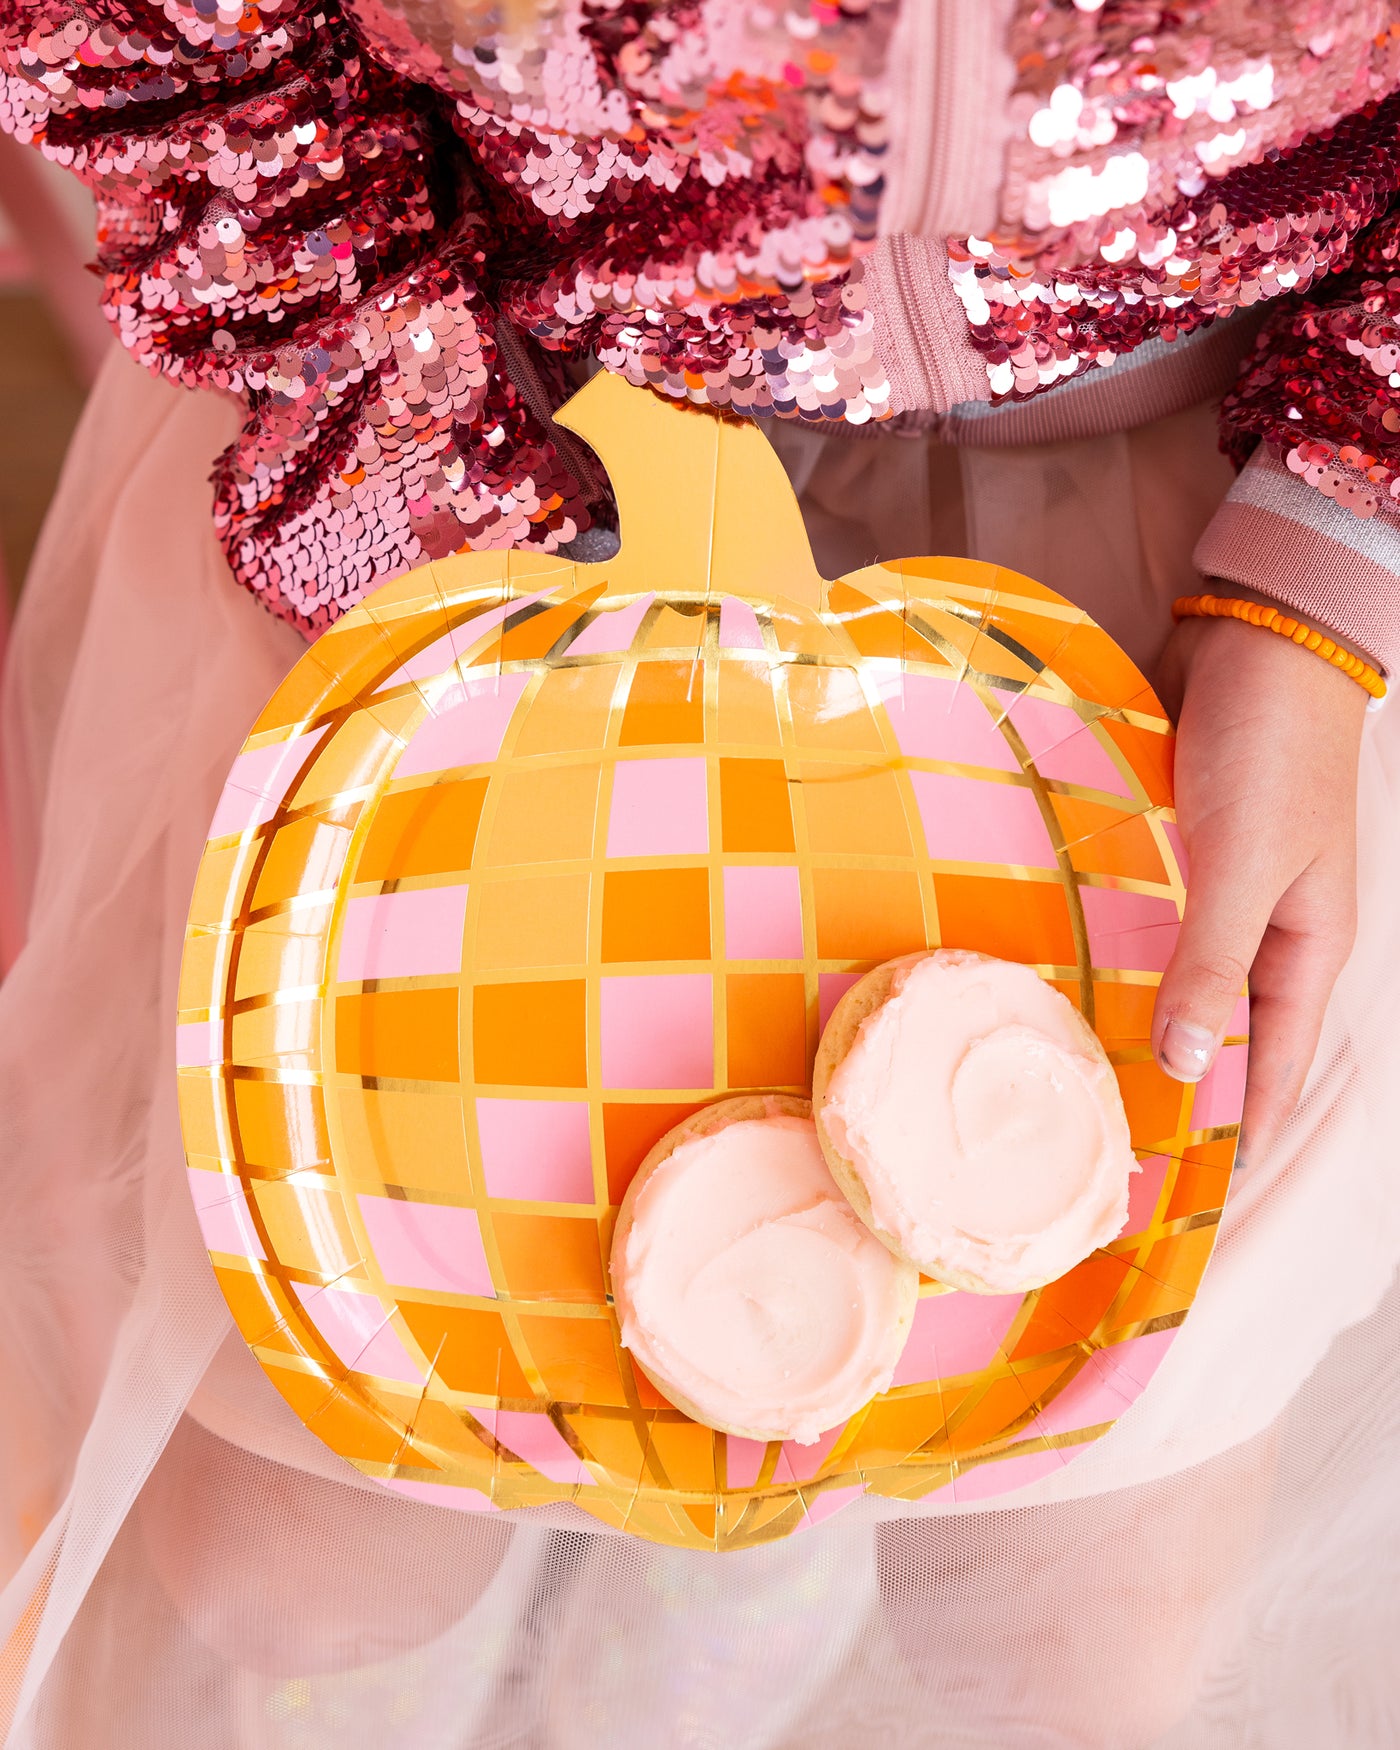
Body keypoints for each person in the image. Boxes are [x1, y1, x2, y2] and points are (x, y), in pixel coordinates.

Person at [1, 2, 1399, 1743]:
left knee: (1070, 1622)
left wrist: (1339, 543)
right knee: (292, 1561)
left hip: (1211, 521)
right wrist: (433, 524)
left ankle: (744, 1523)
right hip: (475, 420)